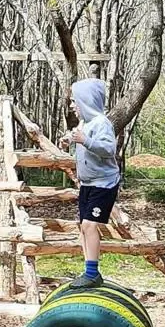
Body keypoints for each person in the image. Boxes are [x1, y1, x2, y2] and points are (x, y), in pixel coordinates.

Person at [58, 76, 121, 286]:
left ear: (87, 101)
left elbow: (109, 149)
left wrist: (85, 140)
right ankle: (88, 270)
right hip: (87, 183)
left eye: (75, 101)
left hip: (104, 183)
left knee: (90, 224)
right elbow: (79, 138)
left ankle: (92, 272)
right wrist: (69, 140)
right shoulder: (85, 122)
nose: (72, 105)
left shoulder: (102, 123)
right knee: (83, 227)